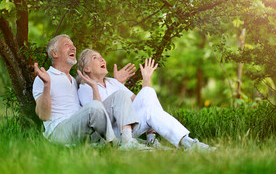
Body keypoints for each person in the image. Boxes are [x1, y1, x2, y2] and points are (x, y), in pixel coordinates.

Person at [77, 49, 213, 150]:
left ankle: (183, 142)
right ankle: (182, 144)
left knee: (148, 91)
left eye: (102, 57)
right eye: (96, 58)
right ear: (87, 68)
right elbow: (97, 117)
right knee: (139, 98)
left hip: (128, 128)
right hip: (111, 135)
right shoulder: (85, 88)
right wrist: (95, 87)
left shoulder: (113, 82)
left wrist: (146, 78)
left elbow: (143, 101)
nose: (102, 60)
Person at [32, 34, 148, 150]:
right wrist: (47, 85)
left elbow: (99, 107)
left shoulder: (73, 80)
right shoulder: (44, 78)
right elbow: (43, 115)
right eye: (67, 45)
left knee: (120, 94)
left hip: (82, 129)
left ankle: (128, 141)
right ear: (54, 53)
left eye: (73, 45)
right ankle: (115, 146)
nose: (73, 48)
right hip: (60, 132)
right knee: (94, 106)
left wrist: (116, 82)